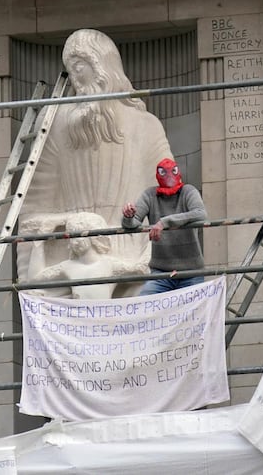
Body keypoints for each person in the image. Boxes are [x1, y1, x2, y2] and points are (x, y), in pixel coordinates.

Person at [18, 29, 172, 297]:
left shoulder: (148, 127)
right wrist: (28, 284)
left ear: (103, 67)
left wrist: (159, 262)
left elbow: (168, 202)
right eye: (71, 69)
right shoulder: (54, 123)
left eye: (80, 67)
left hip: (130, 261)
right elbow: (33, 205)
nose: (76, 79)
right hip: (73, 262)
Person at [121, 158, 207, 295]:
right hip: (161, 272)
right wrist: (128, 216)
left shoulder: (188, 191)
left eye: (172, 171)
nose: (168, 177)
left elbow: (200, 214)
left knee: (194, 313)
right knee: (144, 304)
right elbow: (133, 224)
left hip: (191, 271)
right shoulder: (150, 195)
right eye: (164, 173)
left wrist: (164, 223)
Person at [25, 212, 149, 300]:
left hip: (101, 325)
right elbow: (34, 280)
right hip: (80, 326)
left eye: (78, 236)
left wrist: (154, 241)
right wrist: (40, 239)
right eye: (71, 237)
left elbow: (140, 270)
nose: (74, 241)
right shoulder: (67, 267)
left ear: (93, 237)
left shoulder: (110, 265)